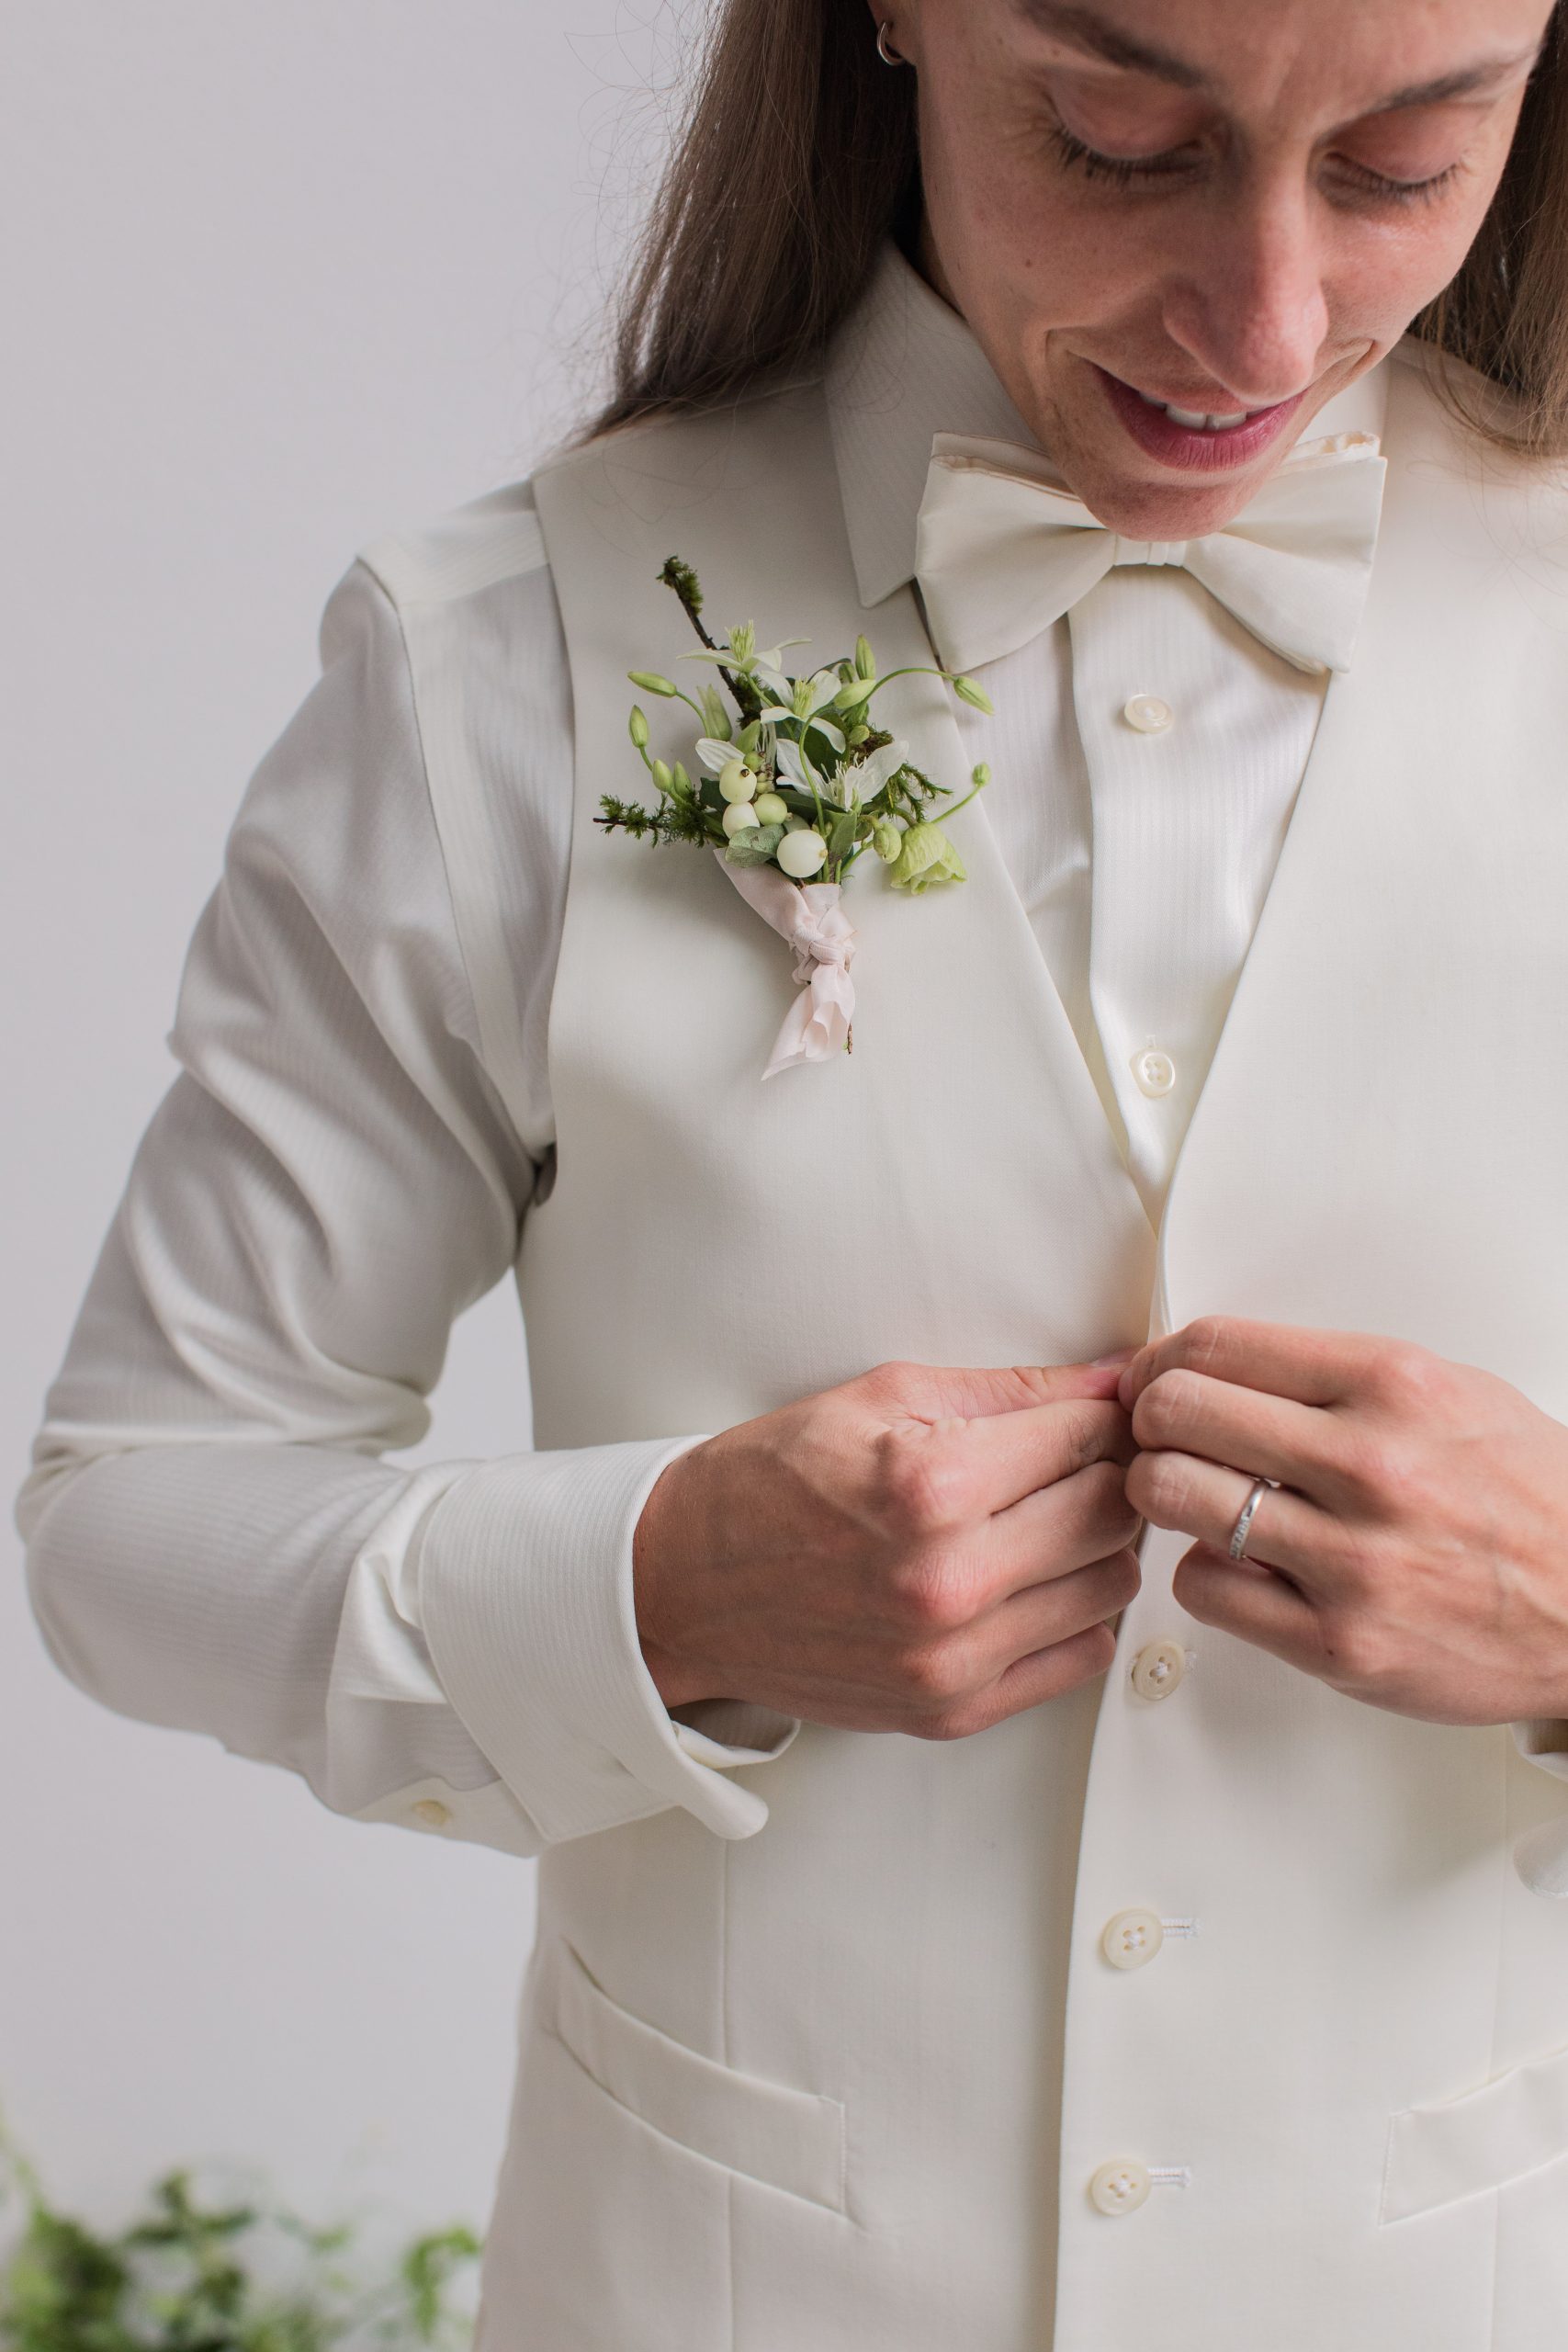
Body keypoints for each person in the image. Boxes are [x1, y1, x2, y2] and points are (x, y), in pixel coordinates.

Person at [17, 0, 1568, 2340]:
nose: (1264, 318)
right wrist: (658, 1584)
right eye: (1120, 138)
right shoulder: (502, 659)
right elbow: (135, 1512)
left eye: (1396, 165)